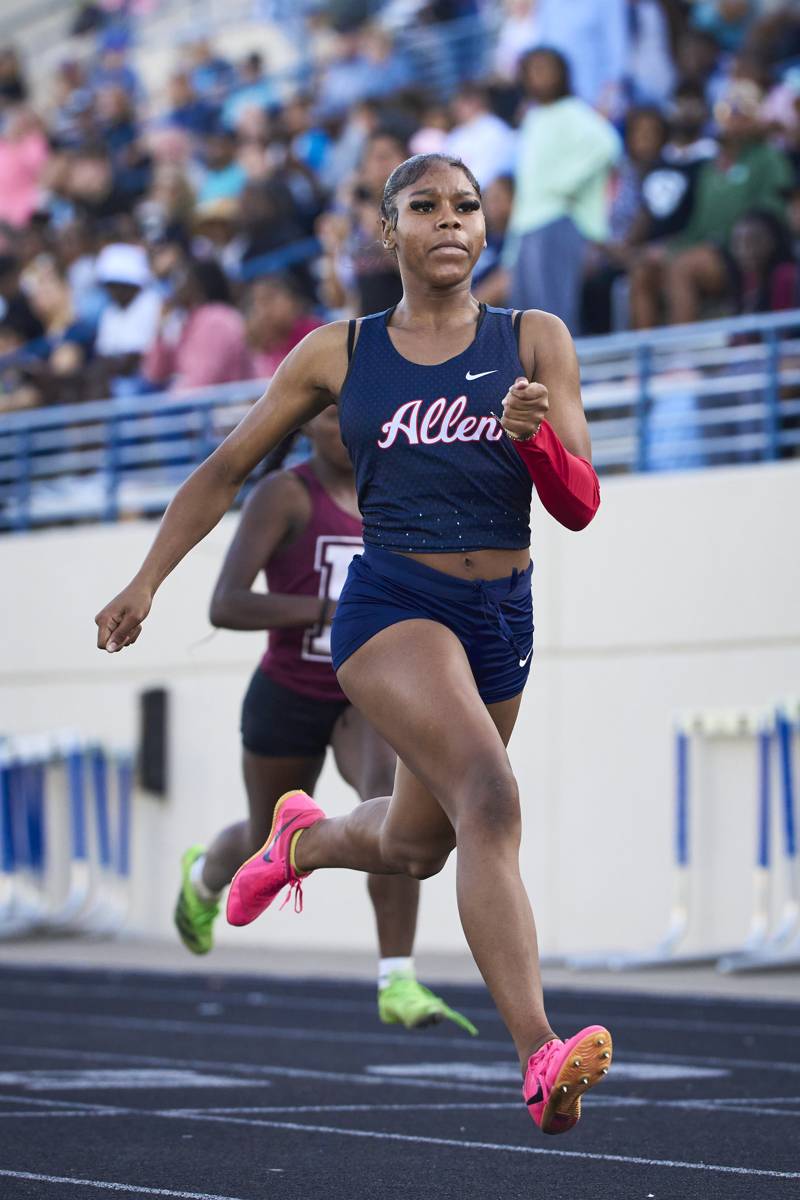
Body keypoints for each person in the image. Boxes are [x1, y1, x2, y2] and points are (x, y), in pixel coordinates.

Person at [95, 152, 612, 1138]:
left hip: (504, 612)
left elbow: (579, 505)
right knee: (488, 800)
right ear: (388, 233)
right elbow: (226, 468)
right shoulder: (338, 353)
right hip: (389, 608)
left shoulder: (533, 339)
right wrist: (146, 579)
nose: (450, 222)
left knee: (415, 846)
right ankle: (539, 1058)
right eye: (425, 207)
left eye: (465, 206)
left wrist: (532, 439)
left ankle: (301, 840)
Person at [174, 405, 476, 1034]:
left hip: (361, 695)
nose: (344, 427)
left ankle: (398, 976)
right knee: (265, 839)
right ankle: (204, 878)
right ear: (305, 424)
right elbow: (226, 604)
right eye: (331, 415)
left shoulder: (390, 492)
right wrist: (327, 608)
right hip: (287, 692)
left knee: (395, 809)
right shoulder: (286, 495)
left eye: (352, 414)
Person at [506, 47, 621, 333]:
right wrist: (511, 247)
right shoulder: (532, 118)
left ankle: (564, 375)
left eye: (547, 69)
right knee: (524, 315)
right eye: (533, 70)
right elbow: (526, 187)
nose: (540, 76)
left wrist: (563, 184)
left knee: (555, 313)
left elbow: (607, 145)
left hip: (557, 221)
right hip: (525, 227)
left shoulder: (573, 110)